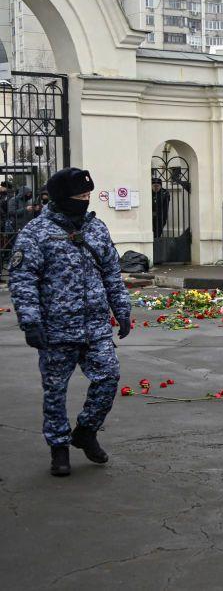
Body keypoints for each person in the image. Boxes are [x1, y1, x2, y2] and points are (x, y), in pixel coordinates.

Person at [8, 168, 132, 477]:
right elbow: (23, 280)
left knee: (109, 378)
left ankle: (86, 431)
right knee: (55, 392)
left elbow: (112, 276)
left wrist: (123, 310)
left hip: (96, 327)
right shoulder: (36, 232)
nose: (85, 202)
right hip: (56, 329)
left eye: (89, 196)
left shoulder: (97, 229)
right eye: (80, 197)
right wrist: (30, 321)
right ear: (62, 198)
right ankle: (59, 448)